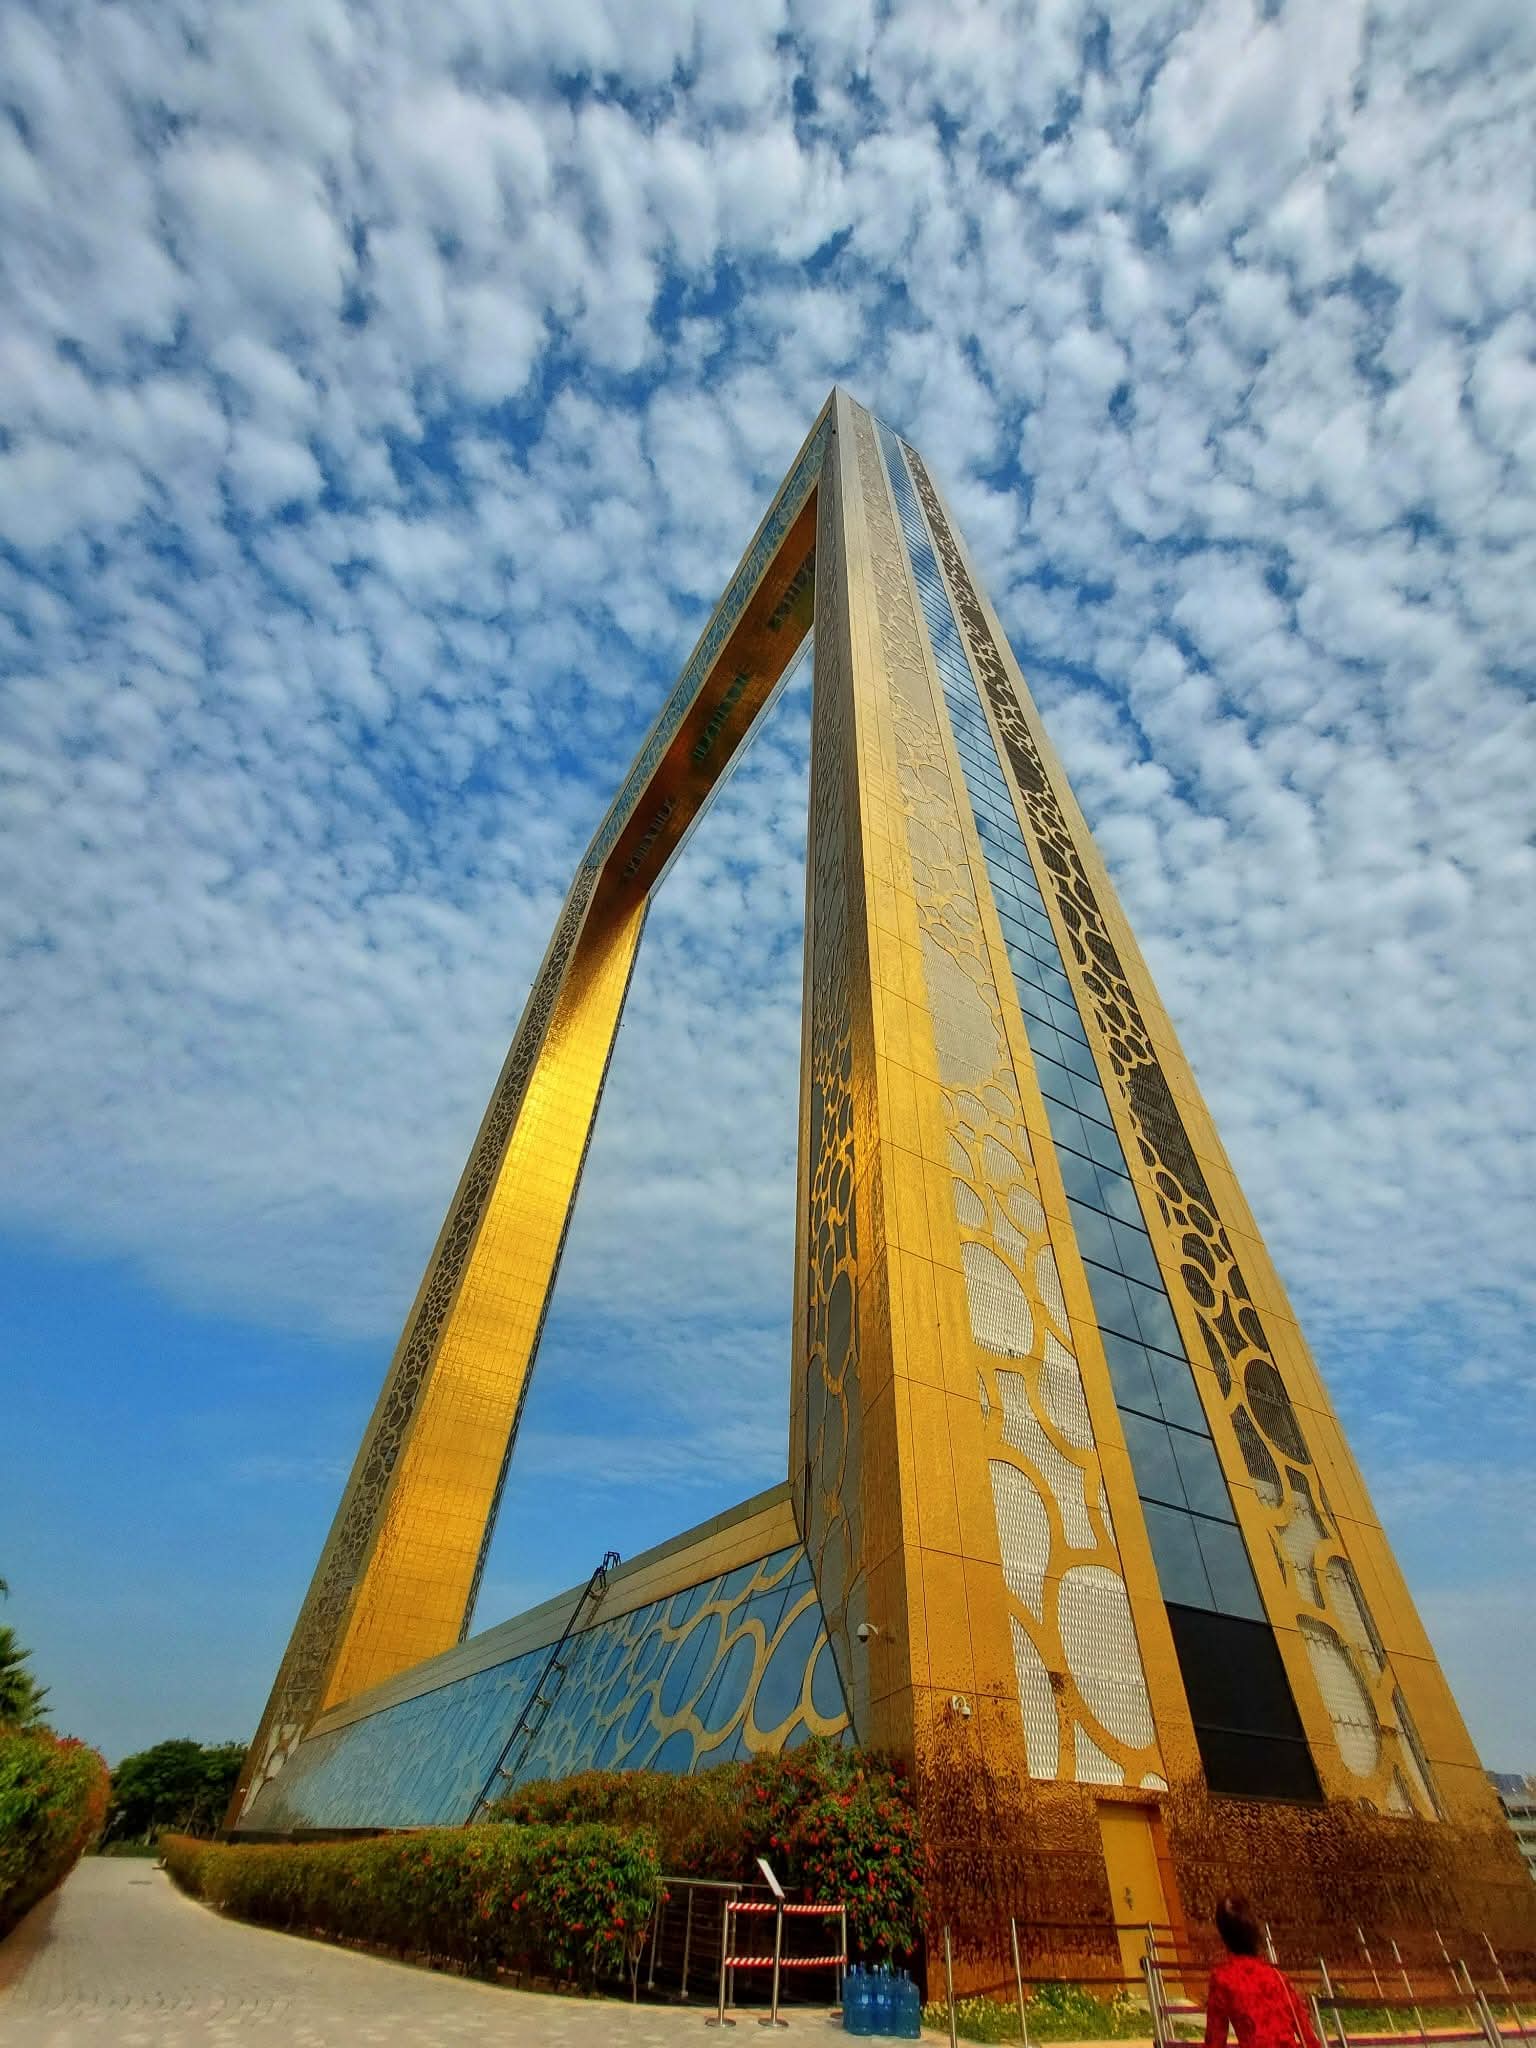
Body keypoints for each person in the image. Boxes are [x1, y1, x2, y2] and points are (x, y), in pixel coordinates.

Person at [1202, 1895, 1322, 2048]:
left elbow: (1215, 2041)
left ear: (1223, 1934)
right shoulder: (1277, 1977)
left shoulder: (1223, 1979)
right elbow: (1308, 2037)